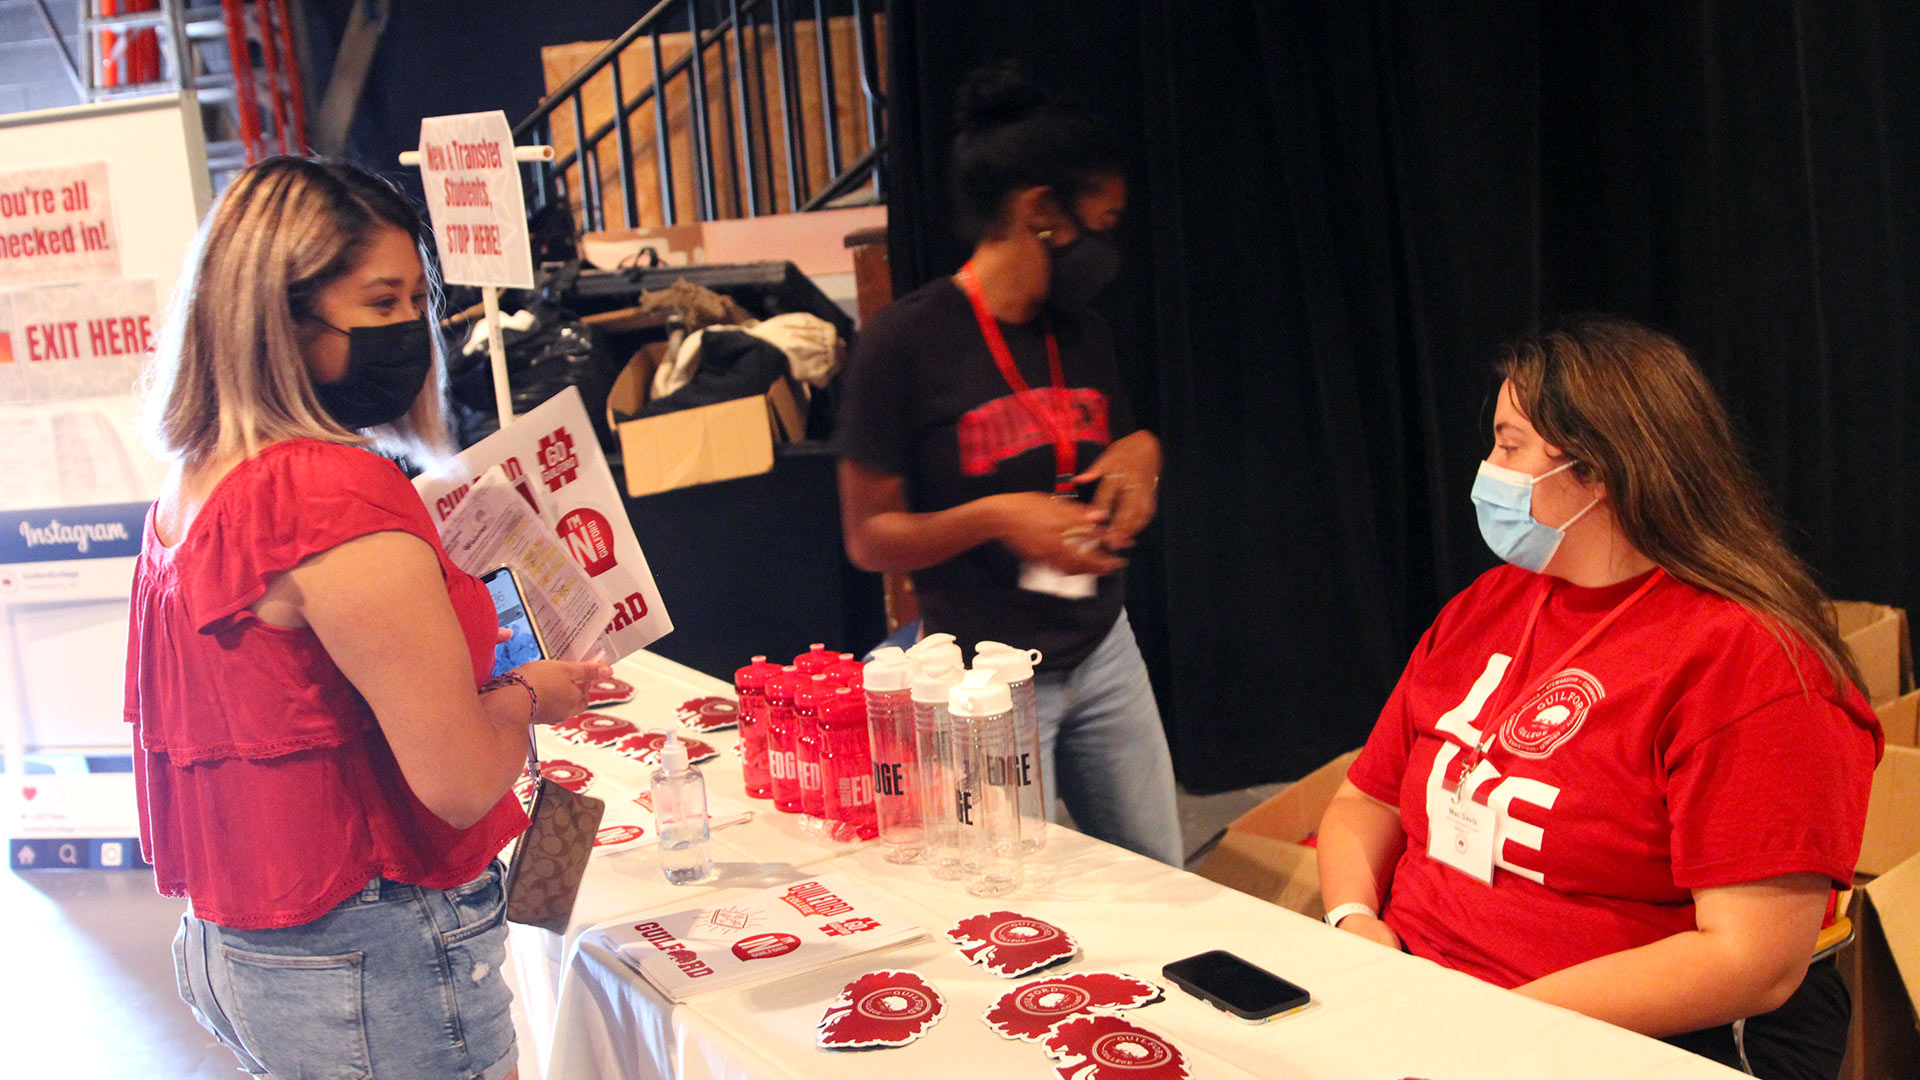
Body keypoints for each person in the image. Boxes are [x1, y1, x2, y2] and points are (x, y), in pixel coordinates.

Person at [126, 157, 609, 1080]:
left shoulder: (198, 480)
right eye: (381, 304)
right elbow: (462, 779)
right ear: (280, 317)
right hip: (374, 948)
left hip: (251, 948)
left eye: (411, 303)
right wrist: (525, 697)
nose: (410, 333)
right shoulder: (325, 491)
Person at [1315, 314, 1880, 1080]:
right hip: (1418, 1002)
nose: (1488, 467)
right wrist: (1353, 920)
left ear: (1599, 468)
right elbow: (1364, 801)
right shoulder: (1493, 602)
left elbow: (1752, 961)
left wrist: (1488, 1028)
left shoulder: (1757, 665)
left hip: (1594, 1041)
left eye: (1509, 445)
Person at [834, 63, 1182, 865]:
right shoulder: (905, 345)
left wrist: (1144, 451)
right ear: (1041, 213)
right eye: (1105, 219)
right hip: (987, 682)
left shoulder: (1082, 331)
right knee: (1021, 902)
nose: (1110, 244)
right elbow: (868, 538)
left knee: (1168, 886)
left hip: (1104, 649)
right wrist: (997, 517)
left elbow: (1116, 447)